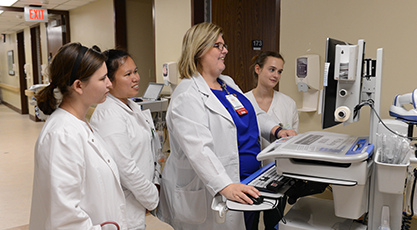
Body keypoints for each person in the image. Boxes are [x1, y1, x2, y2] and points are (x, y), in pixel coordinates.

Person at [157, 22, 296, 230]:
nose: (225, 50)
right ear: (199, 49)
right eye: (218, 45)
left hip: (247, 181)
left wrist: (276, 130)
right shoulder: (187, 95)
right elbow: (199, 150)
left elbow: (252, 113)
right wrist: (225, 185)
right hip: (217, 188)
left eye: (224, 45)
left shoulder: (227, 83)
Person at [29, 43, 128, 230]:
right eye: (103, 78)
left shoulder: (81, 125)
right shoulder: (62, 136)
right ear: (79, 86)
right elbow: (65, 219)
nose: (109, 83)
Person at [90, 49, 160, 230]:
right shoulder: (109, 114)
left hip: (137, 199)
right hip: (124, 206)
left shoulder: (130, 105)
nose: (135, 78)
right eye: (127, 74)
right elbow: (124, 168)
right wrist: (151, 197)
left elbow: (150, 150)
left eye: (135, 71)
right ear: (109, 81)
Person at [245, 51, 299, 230]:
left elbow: (293, 142)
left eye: (280, 71)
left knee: (273, 224)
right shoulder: (242, 102)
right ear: (258, 69)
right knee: (248, 223)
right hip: (247, 176)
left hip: (278, 176)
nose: (276, 75)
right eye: (272, 69)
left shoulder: (288, 104)